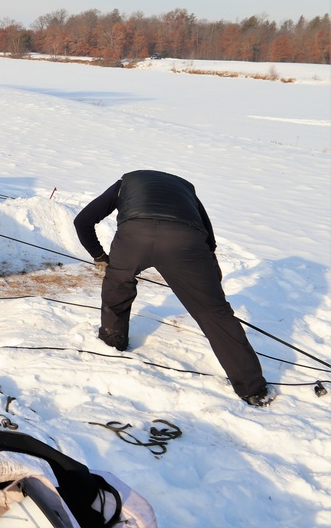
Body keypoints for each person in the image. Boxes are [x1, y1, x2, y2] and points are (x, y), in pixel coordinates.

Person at [74, 169, 271, 406]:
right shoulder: (187, 190)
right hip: (185, 241)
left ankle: (113, 340)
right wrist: (211, 283)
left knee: (118, 283)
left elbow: (83, 221)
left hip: (134, 237)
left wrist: (99, 255)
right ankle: (252, 388)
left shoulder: (126, 182)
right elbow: (209, 237)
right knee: (214, 312)